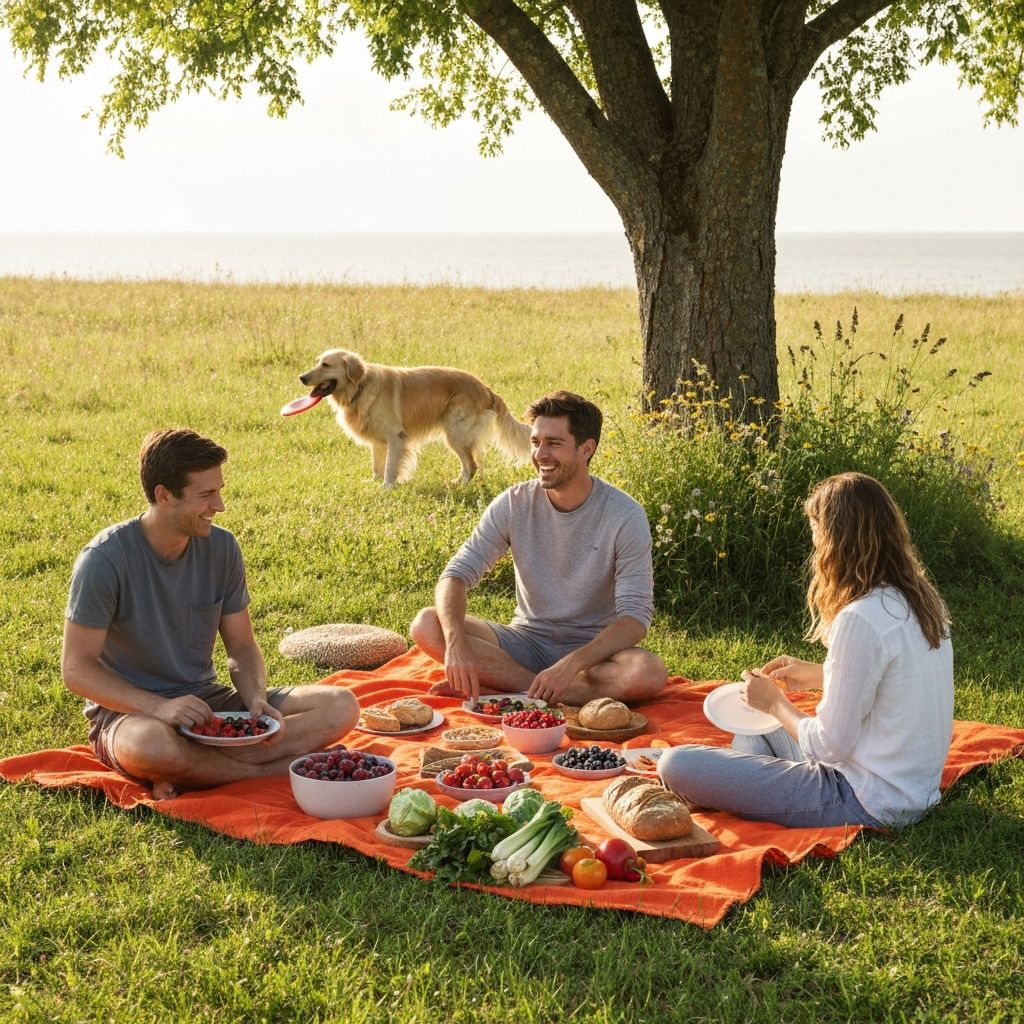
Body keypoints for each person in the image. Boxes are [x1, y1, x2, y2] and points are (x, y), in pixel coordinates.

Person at [61, 428, 358, 800]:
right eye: (206, 495)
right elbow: (76, 669)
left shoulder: (222, 548)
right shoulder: (104, 560)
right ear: (163, 495)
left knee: (340, 706)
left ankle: (191, 771)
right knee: (151, 746)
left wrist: (255, 700)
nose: (219, 506)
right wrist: (160, 707)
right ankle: (272, 769)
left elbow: (242, 647)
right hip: (130, 713)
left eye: (218, 491)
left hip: (207, 705)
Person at [658, 472, 954, 829]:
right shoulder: (918, 599)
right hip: (911, 790)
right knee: (755, 727)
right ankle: (750, 788)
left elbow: (829, 747)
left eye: (817, 537)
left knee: (676, 764)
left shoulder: (859, 618)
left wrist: (775, 703)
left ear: (835, 544)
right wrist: (820, 673)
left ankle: (744, 790)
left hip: (864, 798)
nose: (815, 550)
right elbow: (896, 682)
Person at [410, 390, 668, 705]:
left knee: (647, 672)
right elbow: (455, 576)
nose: (540, 454)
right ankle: (543, 691)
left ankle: (508, 688)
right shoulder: (513, 503)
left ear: (586, 449)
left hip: (592, 657)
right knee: (427, 624)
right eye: (536, 442)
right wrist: (456, 643)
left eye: (554, 443)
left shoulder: (624, 515)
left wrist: (571, 665)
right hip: (525, 643)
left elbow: (634, 618)